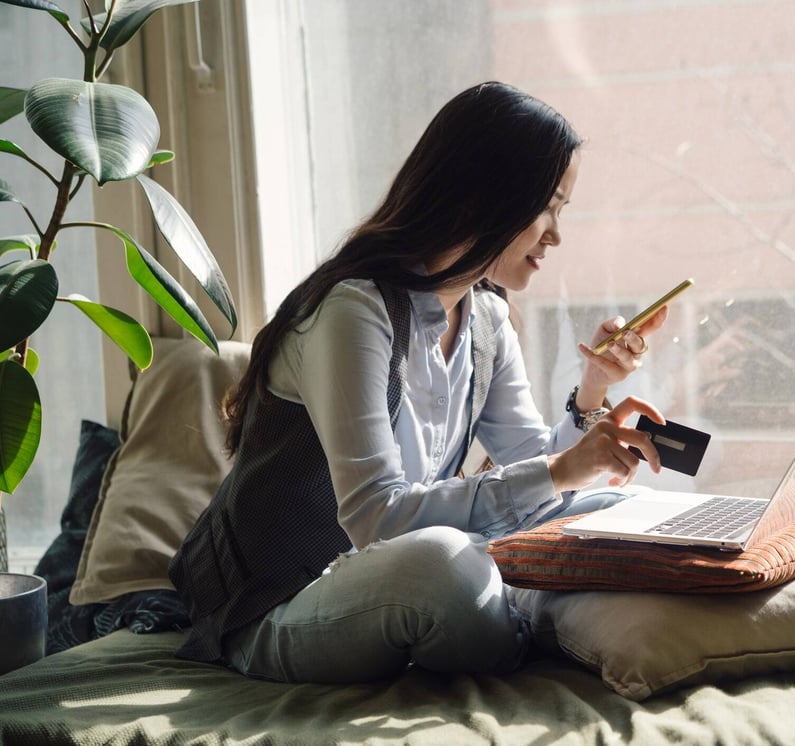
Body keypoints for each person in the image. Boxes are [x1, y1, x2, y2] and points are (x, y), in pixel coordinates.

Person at [169, 81, 668, 684]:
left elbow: (533, 467)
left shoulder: (485, 317)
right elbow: (376, 518)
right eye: (548, 206)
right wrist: (561, 473)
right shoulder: (353, 310)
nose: (555, 234)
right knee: (441, 568)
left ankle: (537, 608)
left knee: (627, 507)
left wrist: (591, 392)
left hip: (403, 576)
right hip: (286, 602)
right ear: (480, 197)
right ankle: (540, 617)